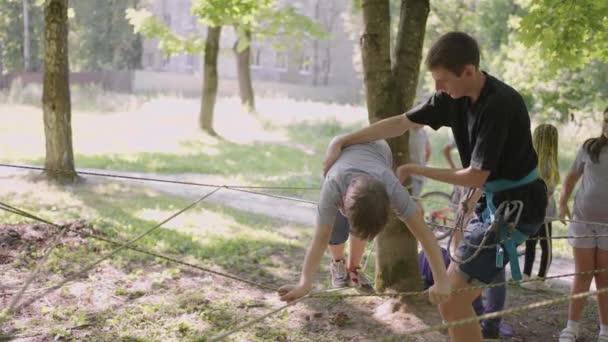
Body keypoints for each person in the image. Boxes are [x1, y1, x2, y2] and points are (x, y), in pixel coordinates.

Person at [322, 31, 547, 342]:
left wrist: (415, 168)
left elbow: (475, 176)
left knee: (452, 300)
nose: (438, 88)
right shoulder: (450, 99)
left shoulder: (500, 105)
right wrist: (344, 140)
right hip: (489, 204)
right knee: (451, 303)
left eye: (443, 80)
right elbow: (401, 122)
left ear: (468, 71)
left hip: (517, 208)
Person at [278, 140, 451, 306]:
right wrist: (304, 283)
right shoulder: (332, 186)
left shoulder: (393, 189)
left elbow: (424, 234)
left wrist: (442, 280)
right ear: (343, 199)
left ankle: (354, 267)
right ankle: (339, 265)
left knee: (399, 216)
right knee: (335, 229)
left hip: (380, 151)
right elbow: (320, 238)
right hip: (344, 152)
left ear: (390, 205)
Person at [558, 107, 608, 342]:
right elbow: (571, 177)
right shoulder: (590, 147)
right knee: (582, 275)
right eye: (606, 121)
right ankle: (571, 328)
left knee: (604, 278)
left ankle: (605, 329)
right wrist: (562, 202)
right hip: (583, 221)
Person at [522, 124, 559, 289]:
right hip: (544, 211)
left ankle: (526, 275)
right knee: (545, 244)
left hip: (533, 209)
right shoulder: (549, 163)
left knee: (531, 242)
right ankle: (539, 278)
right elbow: (549, 190)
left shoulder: (529, 159)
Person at [408, 124, 432, 198]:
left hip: (419, 172)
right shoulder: (407, 132)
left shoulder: (423, 132)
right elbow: (429, 151)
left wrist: (423, 163)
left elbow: (429, 150)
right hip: (411, 173)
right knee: (414, 199)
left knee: (415, 199)